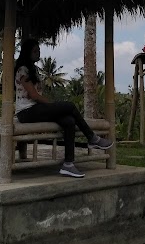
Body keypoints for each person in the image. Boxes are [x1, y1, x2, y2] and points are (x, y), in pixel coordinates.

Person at [15, 38, 113, 178]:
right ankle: (92, 138)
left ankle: (68, 164)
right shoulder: (22, 69)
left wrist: (51, 105)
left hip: (36, 109)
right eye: (35, 51)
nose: (38, 53)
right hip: (26, 112)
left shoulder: (33, 69)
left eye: (39, 50)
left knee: (69, 121)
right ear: (27, 52)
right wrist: (51, 104)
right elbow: (33, 95)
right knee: (69, 106)